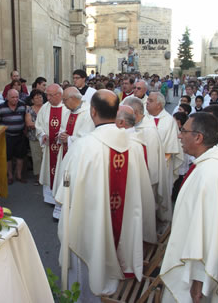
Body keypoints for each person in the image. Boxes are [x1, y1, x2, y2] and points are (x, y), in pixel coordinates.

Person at [54, 90, 153, 301]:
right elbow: (142, 192)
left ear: (92, 111)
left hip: (90, 227)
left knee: (88, 267)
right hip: (123, 224)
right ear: (117, 111)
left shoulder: (83, 147)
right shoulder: (133, 146)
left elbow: (62, 194)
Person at [160, 113, 218, 303]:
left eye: (183, 131)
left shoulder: (211, 174)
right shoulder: (210, 166)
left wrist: (199, 280)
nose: (179, 135)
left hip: (197, 271)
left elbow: (209, 233)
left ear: (198, 137)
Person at [123, 96, 171, 227]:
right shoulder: (134, 126)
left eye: (125, 114)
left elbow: (152, 167)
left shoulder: (148, 131)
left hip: (145, 183)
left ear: (136, 114)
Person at [52, 87, 95, 218]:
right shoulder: (68, 111)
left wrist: (69, 139)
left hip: (78, 156)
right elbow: (62, 128)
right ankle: (61, 207)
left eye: (64, 100)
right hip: (65, 152)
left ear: (72, 98)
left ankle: (73, 209)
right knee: (63, 177)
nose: (63, 103)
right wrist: (61, 135)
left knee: (74, 181)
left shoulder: (88, 113)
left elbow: (88, 136)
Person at [35, 84, 69, 203]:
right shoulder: (45, 108)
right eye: (47, 95)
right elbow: (38, 125)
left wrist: (63, 136)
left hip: (63, 148)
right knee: (49, 170)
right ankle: (50, 198)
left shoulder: (68, 107)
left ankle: (63, 198)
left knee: (62, 170)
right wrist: (43, 135)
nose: (48, 98)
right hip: (49, 148)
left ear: (59, 95)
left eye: (50, 95)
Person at [146, 92, 183, 190]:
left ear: (159, 105)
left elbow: (172, 146)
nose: (147, 102)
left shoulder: (169, 121)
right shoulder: (144, 119)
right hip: (145, 163)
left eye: (150, 100)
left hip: (163, 163)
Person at [0, 89, 27, 184]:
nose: (15, 99)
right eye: (12, 97)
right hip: (7, 136)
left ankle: (19, 175)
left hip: (20, 135)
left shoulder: (22, 105)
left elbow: (25, 119)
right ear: (7, 97)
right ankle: (10, 176)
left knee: (20, 156)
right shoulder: (1, 107)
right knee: (8, 157)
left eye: (17, 97)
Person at [25, 89, 44, 186]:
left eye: (40, 97)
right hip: (34, 137)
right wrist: (42, 125)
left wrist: (36, 124)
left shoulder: (46, 108)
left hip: (45, 137)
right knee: (37, 158)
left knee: (46, 157)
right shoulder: (29, 109)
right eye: (36, 98)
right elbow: (29, 123)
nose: (39, 99)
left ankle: (46, 177)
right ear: (32, 100)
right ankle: (38, 177)